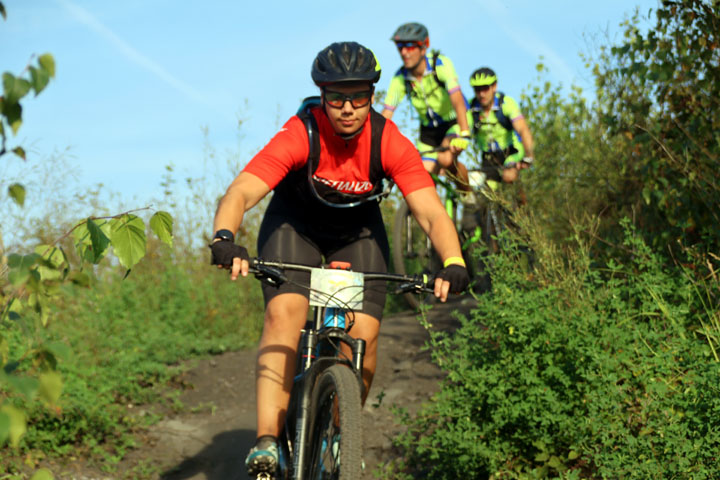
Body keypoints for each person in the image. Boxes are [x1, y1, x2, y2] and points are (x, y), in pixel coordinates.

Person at [209, 41, 469, 477]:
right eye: (336, 97)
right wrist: (224, 237)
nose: (347, 108)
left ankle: (338, 434)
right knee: (285, 313)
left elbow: (429, 211)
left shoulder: (387, 140)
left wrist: (455, 261)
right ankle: (268, 442)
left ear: (371, 94)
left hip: (357, 232)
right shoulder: (301, 132)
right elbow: (242, 191)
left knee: (364, 338)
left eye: (359, 97)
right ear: (322, 96)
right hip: (294, 226)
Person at [381, 22, 473, 195]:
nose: (403, 52)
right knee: (421, 175)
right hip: (428, 131)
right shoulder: (400, 78)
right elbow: (387, 113)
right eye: (400, 47)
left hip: (454, 122)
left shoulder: (440, 65)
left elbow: (458, 100)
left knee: (446, 159)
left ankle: (468, 197)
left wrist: (464, 132)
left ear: (424, 47)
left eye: (409, 46)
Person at [467, 67, 535, 184]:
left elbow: (523, 130)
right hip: (488, 157)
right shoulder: (471, 108)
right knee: (489, 192)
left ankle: (521, 200)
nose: (481, 94)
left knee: (508, 176)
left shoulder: (506, 104)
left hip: (511, 152)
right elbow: (462, 131)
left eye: (485, 88)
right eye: (477, 89)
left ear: (494, 87)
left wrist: (529, 155)